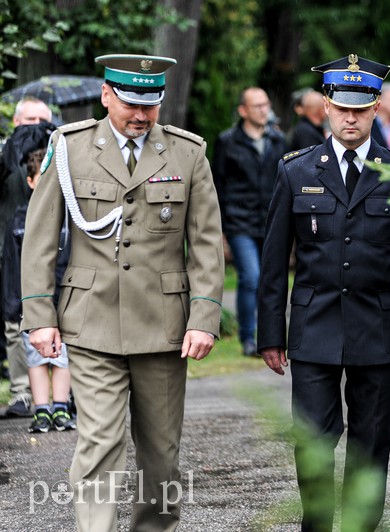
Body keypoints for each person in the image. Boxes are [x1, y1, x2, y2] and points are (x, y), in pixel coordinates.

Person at [21, 54, 224, 531]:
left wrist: (204, 316)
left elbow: (208, 243)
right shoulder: (68, 148)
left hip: (164, 327)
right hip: (90, 322)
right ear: (107, 95)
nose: (140, 115)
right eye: (131, 103)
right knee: (99, 440)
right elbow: (40, 237)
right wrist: (39, 314)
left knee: (160, 456)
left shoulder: (187, 153)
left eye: (150, 106)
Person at [257, 53, 390, 531]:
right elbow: (273, 263)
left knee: (370, 442)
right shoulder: (296, 171)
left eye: (361, 107)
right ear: (326, 106)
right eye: (342, 107)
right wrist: (271, 334)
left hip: (378, 325)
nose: (351, 117)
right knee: (312, 440)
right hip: (314, 326)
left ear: (375, 109)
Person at [1, 120, 75, 433]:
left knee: (63, 356)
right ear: (30, 181)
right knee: (36, 356)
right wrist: (12, 304)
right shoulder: (19, 220)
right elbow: (12, 265)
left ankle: (61, 406)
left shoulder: (71, 217)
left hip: (65, 300)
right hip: (29, 302)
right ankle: (40, 408)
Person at [212, 87, 286, 356]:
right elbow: (217, 185)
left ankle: (271, 338)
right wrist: (220, 229)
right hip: (239, 221)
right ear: (243, 110)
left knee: (270, 281)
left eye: (266, 104)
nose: (263, 110)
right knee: (251, 277)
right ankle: (247, 339)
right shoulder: (228, 141)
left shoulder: (278, 140)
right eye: (257, 106)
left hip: (270, 221)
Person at [0, 97, 54, 418]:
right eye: (30, 119)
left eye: (42, 120)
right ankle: (21, 392)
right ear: (17, 121)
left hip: (51, 248)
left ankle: (60, 393)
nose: (36, 125)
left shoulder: (58, 148)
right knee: (13, 322)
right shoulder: (6, 151)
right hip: (10, 247)